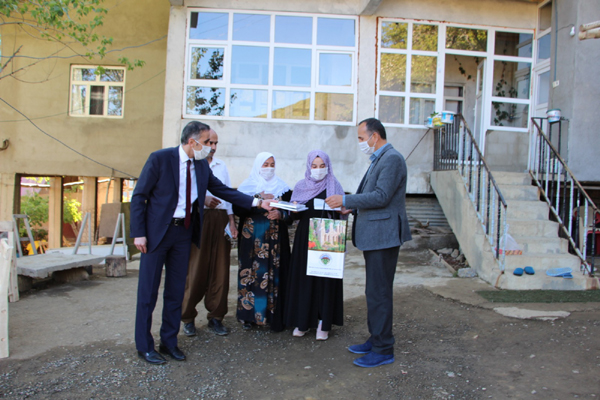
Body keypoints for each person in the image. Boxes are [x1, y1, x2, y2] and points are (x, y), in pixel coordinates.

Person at [130, 121, 273, 365]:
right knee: (148, 292)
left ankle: (169, 341)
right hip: (156, 235)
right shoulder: (160, 159)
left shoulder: (201, 167)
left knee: (176, 291)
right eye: (207, 142)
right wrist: (139, 233)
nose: (211, 147)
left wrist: (257, 203)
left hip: (184, 234)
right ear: (192, 141)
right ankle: (144, 347)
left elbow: (225, 191)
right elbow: (139, 196)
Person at [326, 118, 411, 368]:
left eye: (362, 138)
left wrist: (347, 200)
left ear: (375, 136)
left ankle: (384, 349)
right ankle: (376, 339)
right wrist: (348, 208)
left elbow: (382, 196)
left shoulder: (392, 159)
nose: (361, 143)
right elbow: (373, 197)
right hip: (375, 236)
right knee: (374, 291)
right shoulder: (379, 159)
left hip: (383, 237)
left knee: (380, 293)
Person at [180, 129, 238, 337]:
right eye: (209, 142)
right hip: (199, 217)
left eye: (215, 143)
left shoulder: (221, 166)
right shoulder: (191, 164)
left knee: (220, 270)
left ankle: (216, 317)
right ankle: (187, 317)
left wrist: (231, 221)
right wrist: (202, 199)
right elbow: (182, 192)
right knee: (196, 269)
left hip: (220, 218)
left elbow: (228, 194)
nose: (212, 147)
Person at [285, 150, 345, 341]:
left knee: (325, 279)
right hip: (305, 238)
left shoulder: (334, 185)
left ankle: (323, 322)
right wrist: (293, 208)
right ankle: (302, 321)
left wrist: (338, 209)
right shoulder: (301, 186)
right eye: (314, 166)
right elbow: (294, 216)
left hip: (327, 235)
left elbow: (342, 211)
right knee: (305, 278)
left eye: (322, 166)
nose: (318, 170)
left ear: (327, 166)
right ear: (308, 167)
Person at [234, 152, 292, 332]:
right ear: (258, 165)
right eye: (265, 164)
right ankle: (248, 316)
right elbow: (238, 209)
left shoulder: (283, 187)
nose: (269, 168)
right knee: (251, 274)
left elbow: (292, 213)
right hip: (252, 240)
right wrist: (257, 199)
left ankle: (275, 316)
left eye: (272, 164)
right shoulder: (247, 187)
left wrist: (281, 214)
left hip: (276, 241)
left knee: (275, 275)